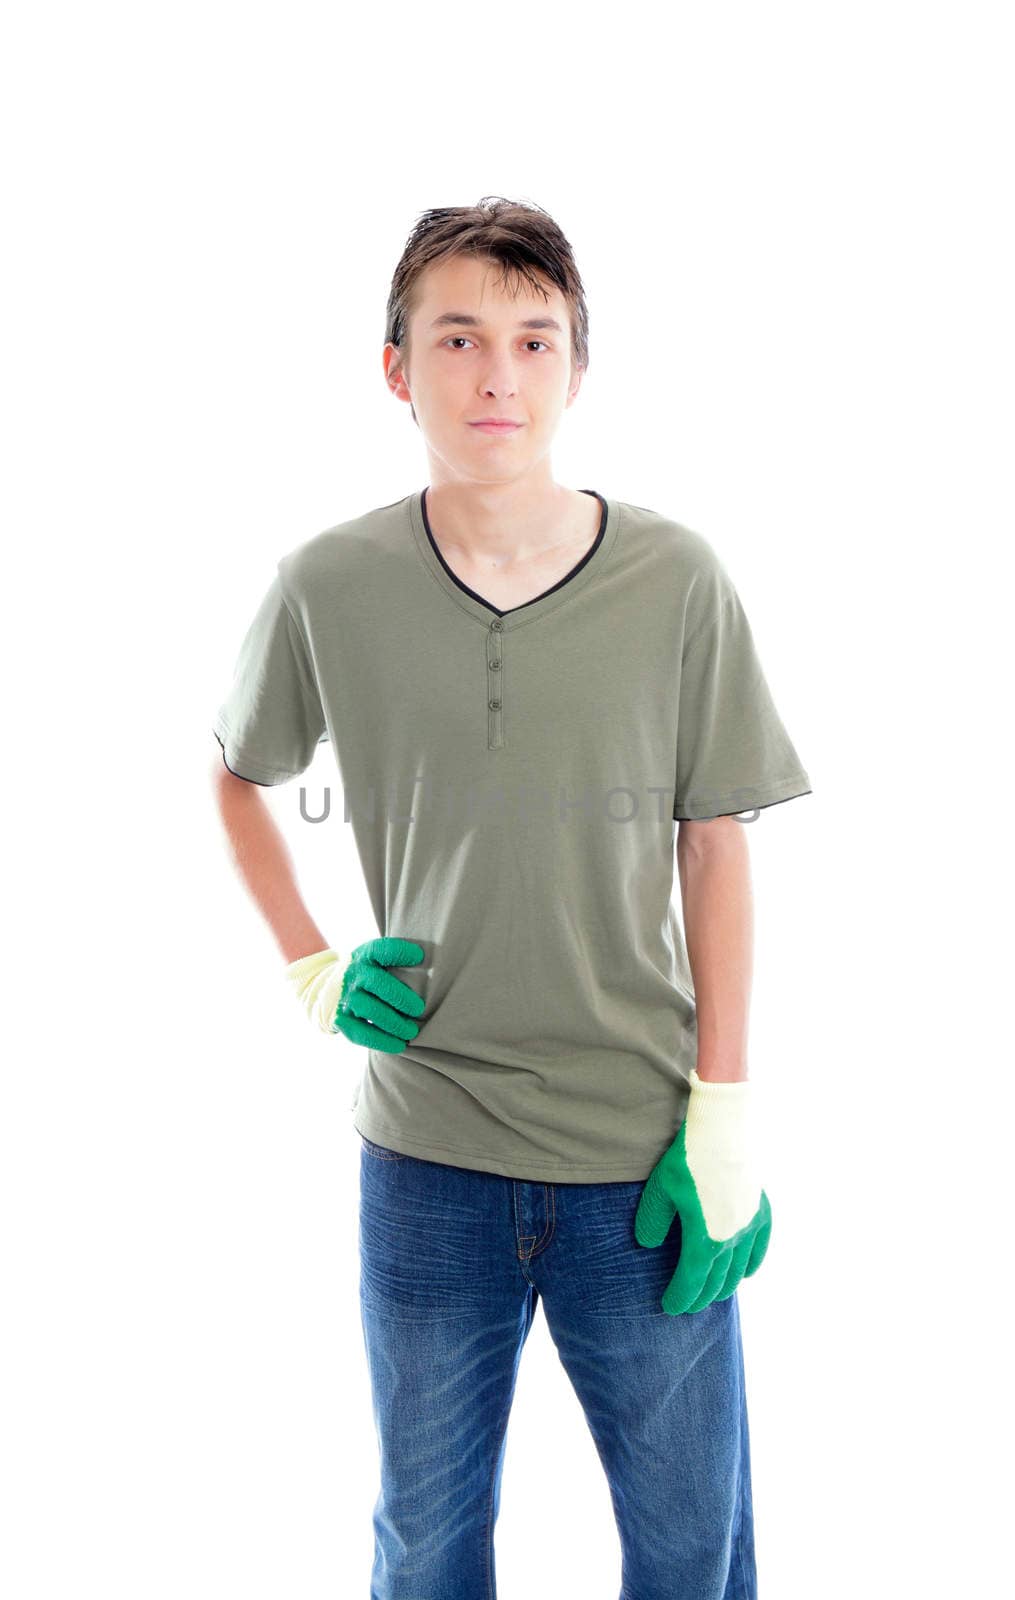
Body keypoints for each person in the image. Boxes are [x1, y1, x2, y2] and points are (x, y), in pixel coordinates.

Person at [211, 196, 812, 1600]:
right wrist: (310, 963)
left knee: (691, 1545)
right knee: (424, 1547)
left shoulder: (677, 580)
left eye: (535, 340)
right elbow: (236, 779)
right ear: (396, 367)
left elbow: (715, 844)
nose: (498, 375)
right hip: (427, 1153)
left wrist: (722, 1115)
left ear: (578, 370)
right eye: (460, 336)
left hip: (637, 1157)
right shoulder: (329, 584)